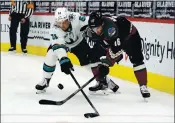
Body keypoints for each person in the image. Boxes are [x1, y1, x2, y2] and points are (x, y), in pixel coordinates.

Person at [35, 7, 119, 94]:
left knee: (91, 62)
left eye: (64, 22)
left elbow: (91, 23)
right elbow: (58, 46)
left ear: (68, 18)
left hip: (79, 43)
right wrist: (64, 60)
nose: (62, 25)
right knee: (51, 55)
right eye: (59, 23)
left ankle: (104, 81)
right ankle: (45, 80)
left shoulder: (76, 18)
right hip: (63, 45)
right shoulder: (54, 29)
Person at [85, 11, 150, 98]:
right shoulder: (96, 29)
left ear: (102, 24)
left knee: (137, 59)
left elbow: (117, 48)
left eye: (97, 28)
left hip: (130, 36)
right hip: (115, 39)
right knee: (94, 55)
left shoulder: (110, 29)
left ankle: (143, 86)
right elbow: (107, 45)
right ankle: (102, 83)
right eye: (93, 29)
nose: (96, 31)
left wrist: (107, 64)